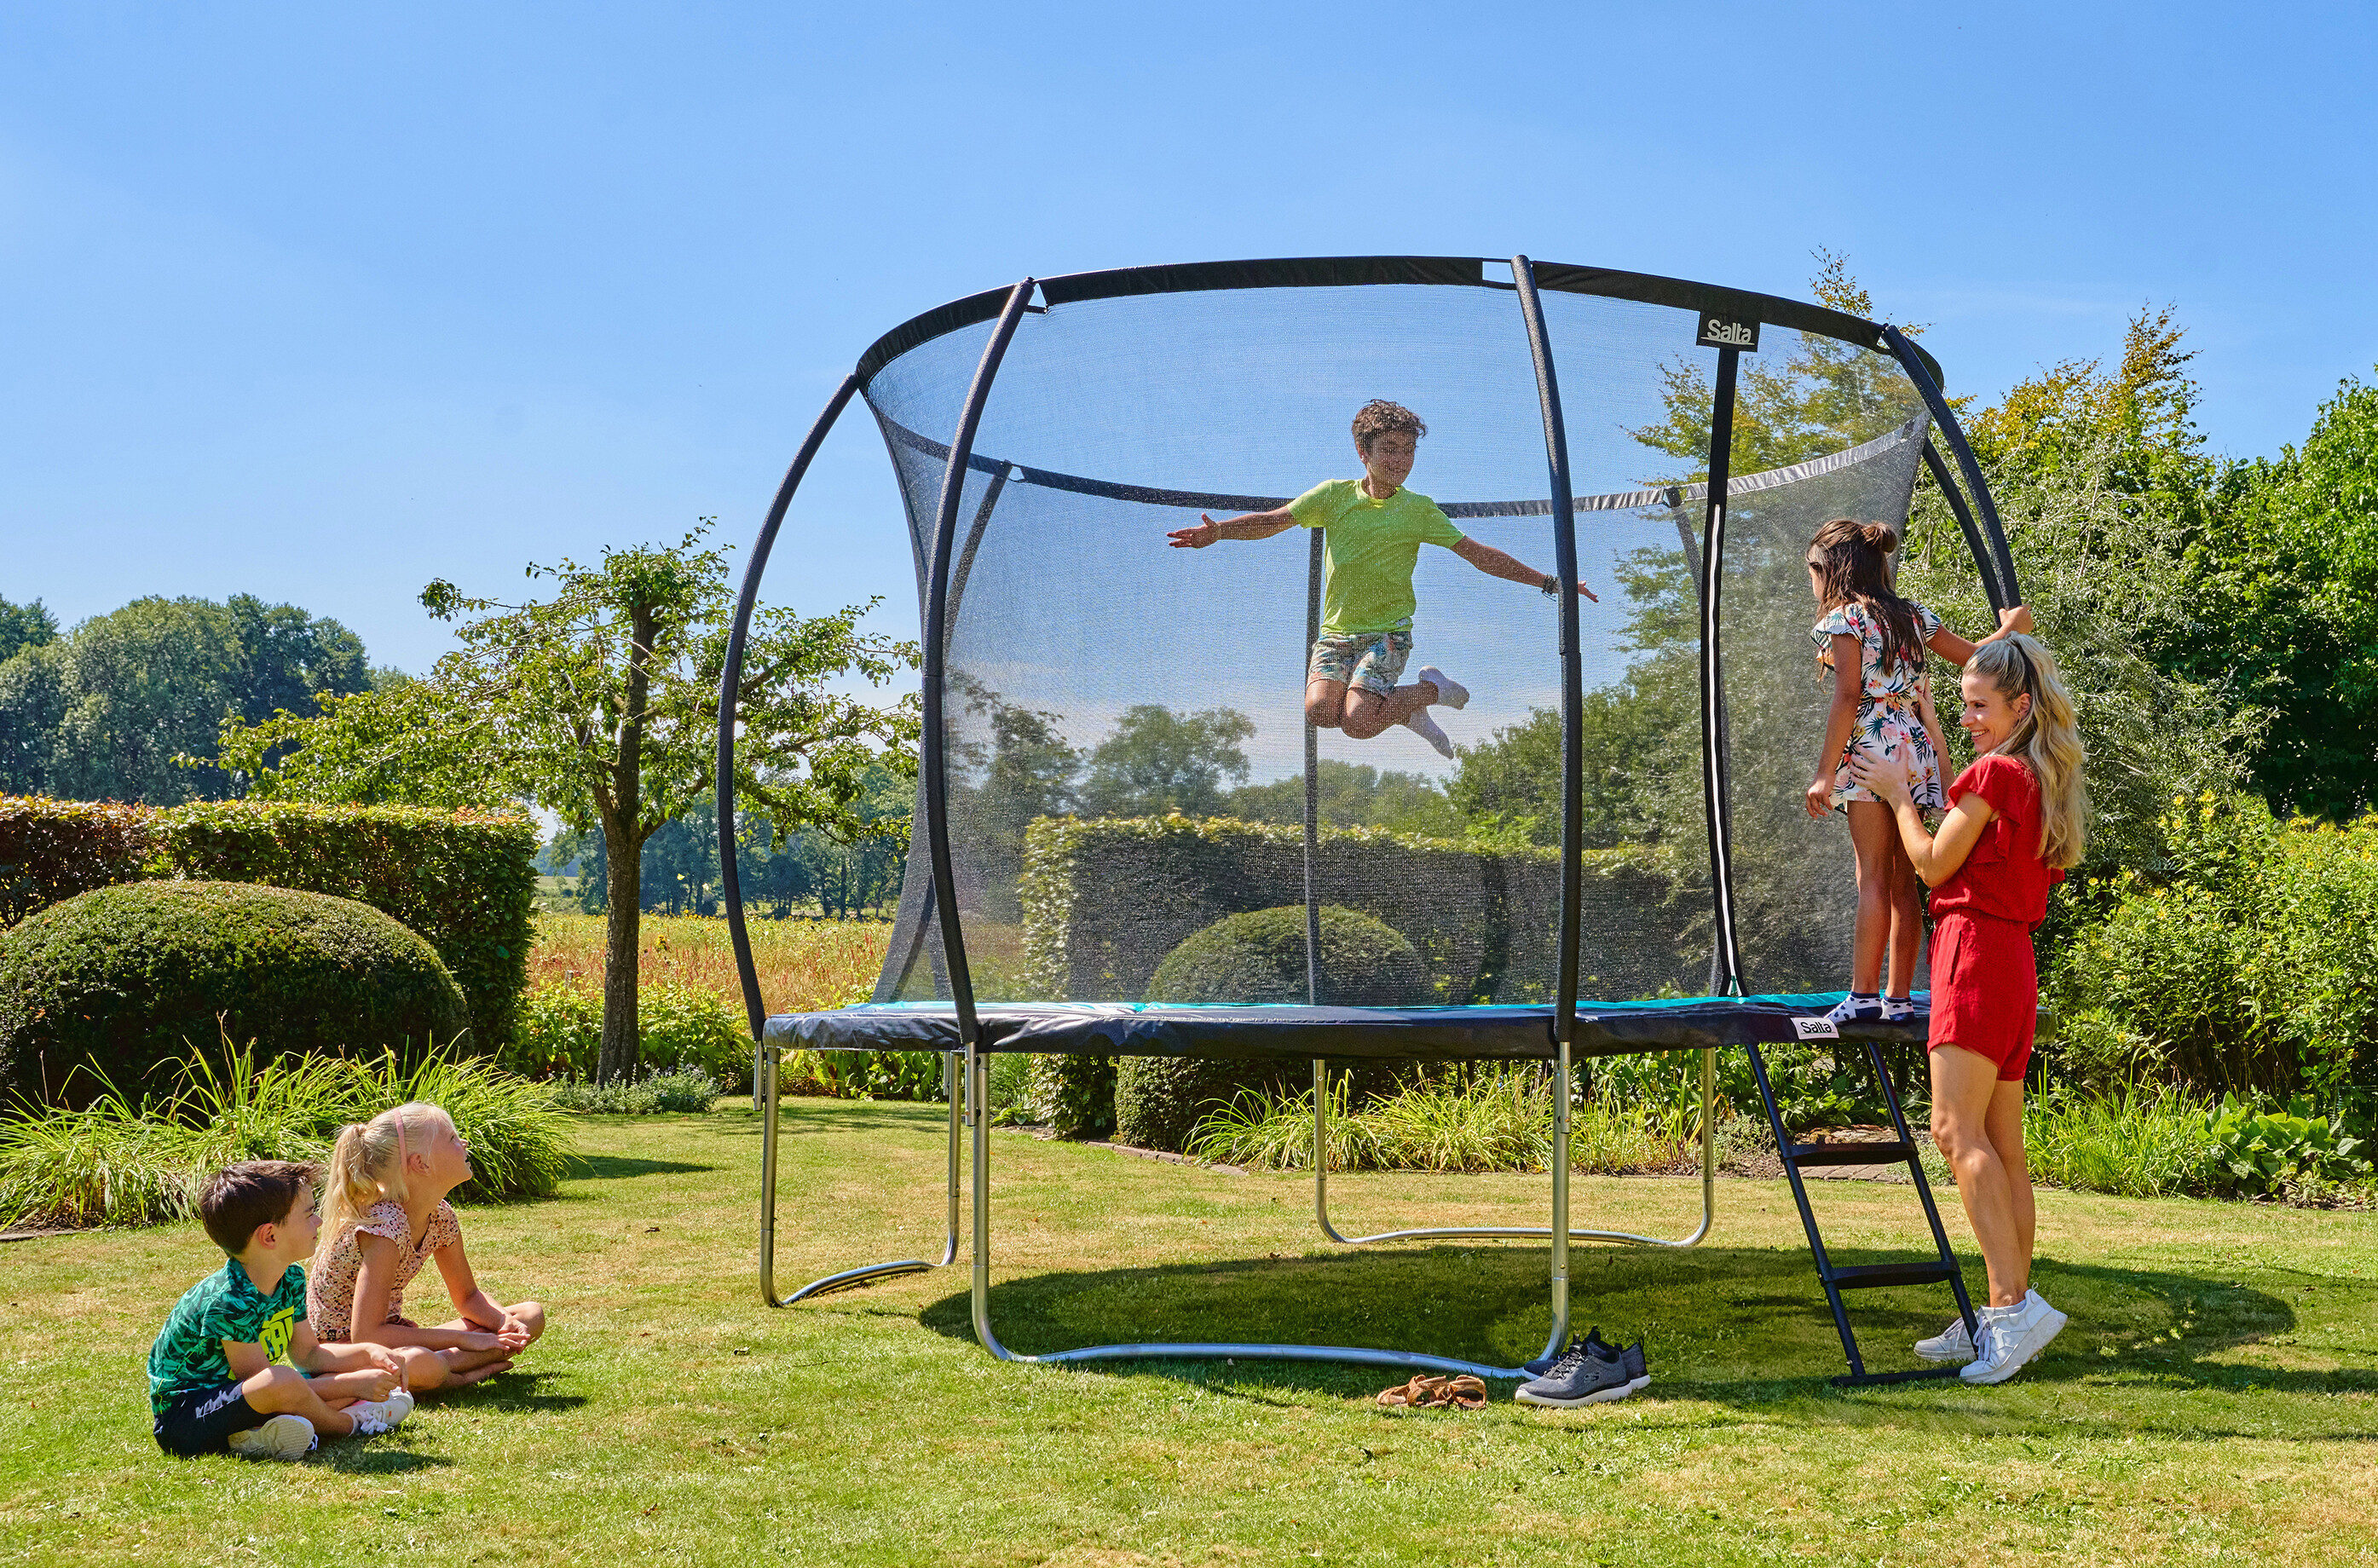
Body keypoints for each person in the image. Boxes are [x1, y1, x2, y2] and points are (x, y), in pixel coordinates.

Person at [1850, 632, 2087, 1384]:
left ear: (2020, 705)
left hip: (1974, 953)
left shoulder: (1996, 772)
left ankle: (2013, 1310)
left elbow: (1930, 862)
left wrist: (1893, 791)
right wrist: (1947, 744)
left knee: (1955, 1132)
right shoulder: (2032, 774)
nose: (1972, 717)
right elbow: (1972, 816)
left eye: (1980, 707)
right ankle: (2003, 1308)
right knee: (2001, 1144)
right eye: (1964, 706)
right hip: (2013, 960)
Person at [1166, 399, 1596, 758]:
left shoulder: (1418, 509)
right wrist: (1221, 531)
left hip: (1387, 635)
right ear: (1363, 451)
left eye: (1408, 451)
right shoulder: (1333, 496)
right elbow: (1274, 521)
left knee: (1357, 722)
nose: (1400, 461)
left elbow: (1478, 555)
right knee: (1319, 711)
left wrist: (1551, 583)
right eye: (1390, 449)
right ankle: (1407, 707)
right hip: (1336, 636)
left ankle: (1429, 692)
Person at [1803, 518, 2031, 1023]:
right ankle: (1898, 998)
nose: (1813, 583)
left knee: (1871, 878)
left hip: (1871, 745)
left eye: (1814, 572)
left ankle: (1862, 997)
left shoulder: (1845, 619)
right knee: (1905, 880)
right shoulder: (1909, 614)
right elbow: (1976, 656)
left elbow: (1847, 696)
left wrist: (1824, 772)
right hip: (1914, 744)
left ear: (1832, 571)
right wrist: (2009, 632)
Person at [149, 1160, 415, 1461]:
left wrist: (369, 1354)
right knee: (285, 1381)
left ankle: (257, 1437)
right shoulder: (230, 1301)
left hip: (246, 1402)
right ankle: (349, 1423)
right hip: (184, 1421)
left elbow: (310, 1355)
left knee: (313, 1383)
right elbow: (266, 1384)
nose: (318, 1222)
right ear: (270, 1237)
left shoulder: (290, 1279)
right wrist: (356, 1383)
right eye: (309, 1214)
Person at [309, 1103, 546, 1391]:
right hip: (340, 1353)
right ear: (421, 1163)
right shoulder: (383, 1229)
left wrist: (503, 1322)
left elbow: (469, 1297)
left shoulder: (440, 1216)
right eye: (451, 1139)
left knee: (529, 1316)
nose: (464, 1142)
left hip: (391, 1338)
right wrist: (461, 1340)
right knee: (424, 1363)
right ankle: (449, 1373)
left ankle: (444, 1369)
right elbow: (366, 1336)